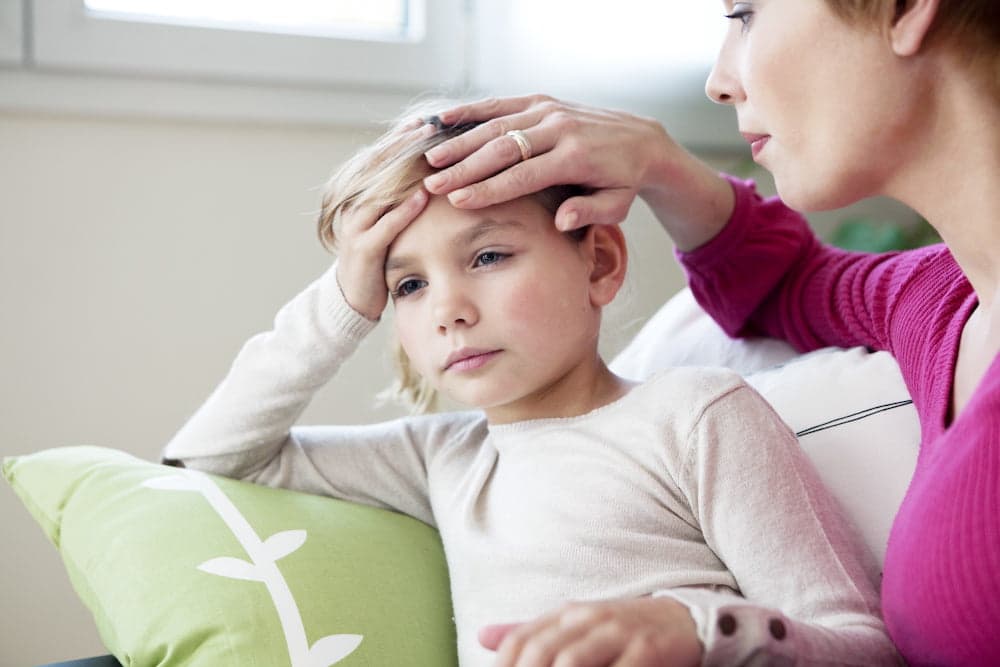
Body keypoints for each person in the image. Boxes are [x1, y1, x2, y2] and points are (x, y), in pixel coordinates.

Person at [161, 103, 902, 667]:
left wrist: (698, 626)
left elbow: (863, 646)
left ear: (600, 263)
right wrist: (345, 299)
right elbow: (215, 455)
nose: (448, 307)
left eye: (487, 256)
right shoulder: (441, 458)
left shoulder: (694, 414)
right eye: (409, 284)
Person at [414, 1, 1000, 665]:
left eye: (745, 14)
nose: (719, 80)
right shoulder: (941, 301)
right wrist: (655, 159)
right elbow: (784, 281)